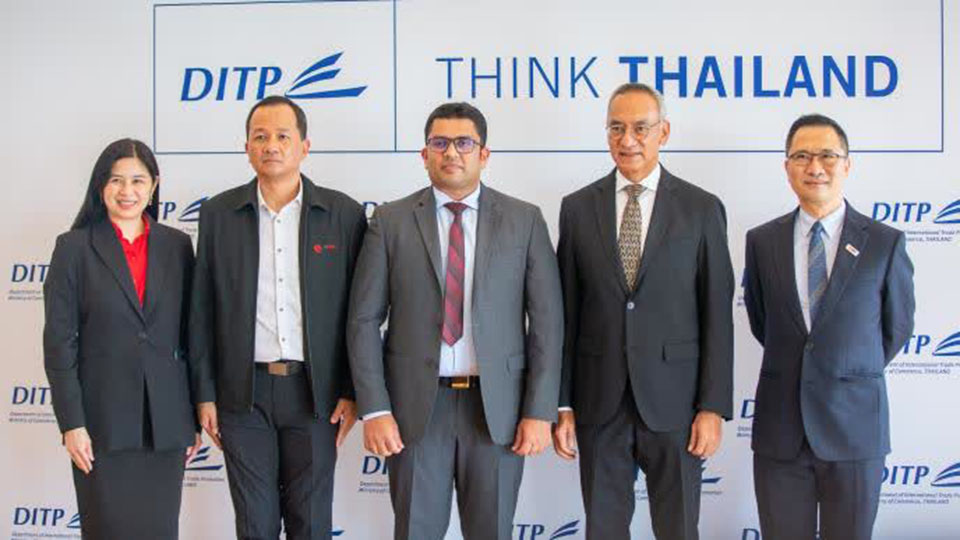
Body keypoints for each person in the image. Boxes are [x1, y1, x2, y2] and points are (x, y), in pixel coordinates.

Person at [348, 102, 563, 540]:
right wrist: (375, 408)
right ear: (424, 154)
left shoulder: (524, 220)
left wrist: (539, 410)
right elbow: (363, 320)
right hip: (414, 412)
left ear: (483, 154)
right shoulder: (389, 221)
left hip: (497, 410)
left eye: (464, 143)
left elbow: (547, 323)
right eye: (439, 142)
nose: (451, 152)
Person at [553, 83, 735, 540]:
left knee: (678, 530)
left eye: (640, 128)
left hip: (677, 406)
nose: (627, 139)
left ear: (664, 132)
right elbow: (565, 316)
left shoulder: (701, 209)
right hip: (599, 404)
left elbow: (718, 315)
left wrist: (712, 406)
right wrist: (563, 403)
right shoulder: (577, 208)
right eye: (616, 128)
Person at [189, 96, 367, 539]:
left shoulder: (343, 214)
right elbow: (202, 309)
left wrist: (351, 390)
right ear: (246, 147)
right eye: (260, 136)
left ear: (304, 146)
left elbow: (360, 313)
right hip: (242, 394)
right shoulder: (219, 214)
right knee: (255, 524)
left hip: (316, 395)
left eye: (283, 136)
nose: (271, 145)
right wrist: (205, 393)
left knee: (312, 523)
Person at [743, 114, 915, 540]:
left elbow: (895, 328)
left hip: (854, 431)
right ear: (787, 167)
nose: (814, 167)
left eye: (827, 156)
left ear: (847, 164)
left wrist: (844, 367)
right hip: (781, 432)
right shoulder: (762, 242)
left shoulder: (884, 242)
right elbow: (762, 322)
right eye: (802, 156)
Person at [43, 138, 199, 539]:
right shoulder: (73, 248)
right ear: (101, 186)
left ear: (154, 185)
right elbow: (60, 343)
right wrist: (72, 423)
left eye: (137, 180)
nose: (127, 191)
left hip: (166, 426)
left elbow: (192, 337)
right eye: (115, 180)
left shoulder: (178, 246)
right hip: (101, 426)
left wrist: (193, 418)